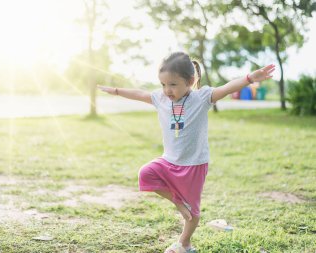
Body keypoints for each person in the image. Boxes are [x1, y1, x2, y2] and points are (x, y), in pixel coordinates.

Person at [98, 52, 275, 253]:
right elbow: (140, 94)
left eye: (173, 84)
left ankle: (184, 243)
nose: (167, 90)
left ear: (190, 81)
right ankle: (178, 201)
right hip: (169, 161)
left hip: (194, 164)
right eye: (163, 84)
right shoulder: (161, 99)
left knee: (194, 212)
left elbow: (226, 88)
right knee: (145, 173)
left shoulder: (201, 98)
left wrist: (250, 78)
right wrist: (116, 90)